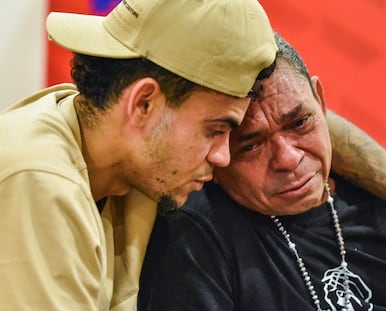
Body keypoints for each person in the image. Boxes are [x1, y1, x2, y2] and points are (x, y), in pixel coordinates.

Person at [0, 0, 278, 310]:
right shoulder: (38, 181)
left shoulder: (117, 153)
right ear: (144, 103)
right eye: (214, 130)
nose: (223, 157)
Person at [138, 33, 386, 311]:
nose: (288, 158)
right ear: (216, 147)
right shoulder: (194, 238)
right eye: (251, 145)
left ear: (320, 100)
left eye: (300, 123)